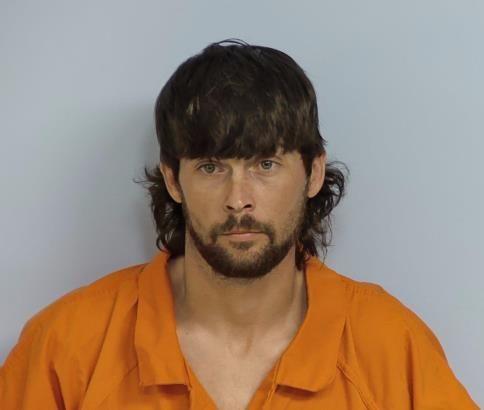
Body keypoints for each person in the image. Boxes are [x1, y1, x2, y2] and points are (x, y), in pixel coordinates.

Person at [0, 39, 478, 410]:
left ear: (313, 173)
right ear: (174, 179)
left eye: (265, 164)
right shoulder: (66, 347)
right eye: (211, 167)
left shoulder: (391, 347)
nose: (238, 199)